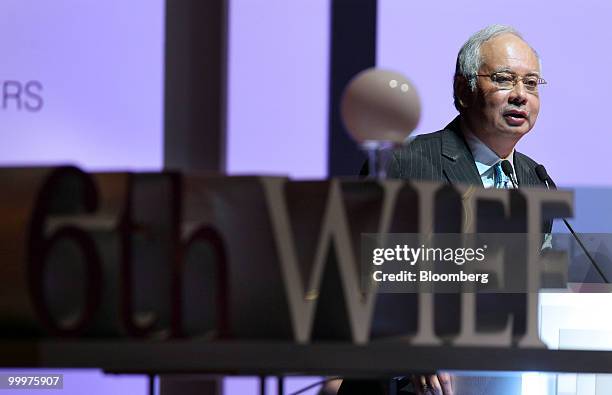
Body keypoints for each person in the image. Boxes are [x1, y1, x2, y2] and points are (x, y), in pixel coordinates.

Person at [338, 24, 551, 395]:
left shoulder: (538, 180)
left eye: (531, 83)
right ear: (462, 89)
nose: (520, 95)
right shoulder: (406, 162)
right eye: (504, 79)